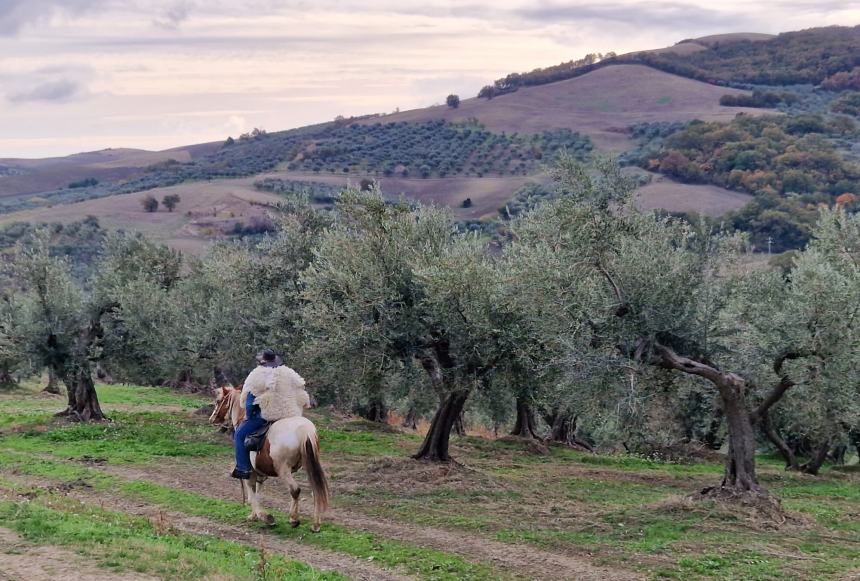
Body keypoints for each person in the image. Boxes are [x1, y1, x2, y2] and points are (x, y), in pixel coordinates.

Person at [231, 349, 311, 479]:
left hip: (266, 416)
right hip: (290, 414)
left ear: (262, 362)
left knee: (239, 434)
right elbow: (301, 394)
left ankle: (243, 469)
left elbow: (250, 403)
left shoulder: (257, 376)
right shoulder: (289, 373)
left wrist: (250, 416)